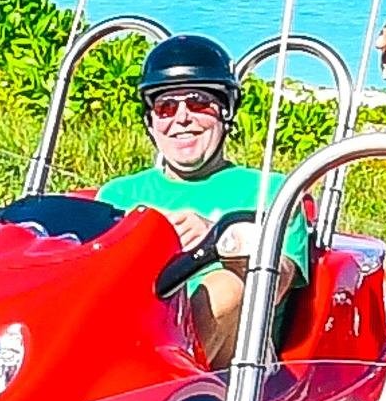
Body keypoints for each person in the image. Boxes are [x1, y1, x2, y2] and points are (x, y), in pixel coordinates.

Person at [98, 30, 266, 359]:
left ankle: (162, 373)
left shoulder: (267, 191)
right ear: (150, 122)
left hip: (226, 359)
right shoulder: (119, 193)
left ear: (225, 112)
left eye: (198, 103)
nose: (182, 118)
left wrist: (219, 242)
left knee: (225, 286)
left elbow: (278, 285)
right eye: (166, 108)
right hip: (124, 329)